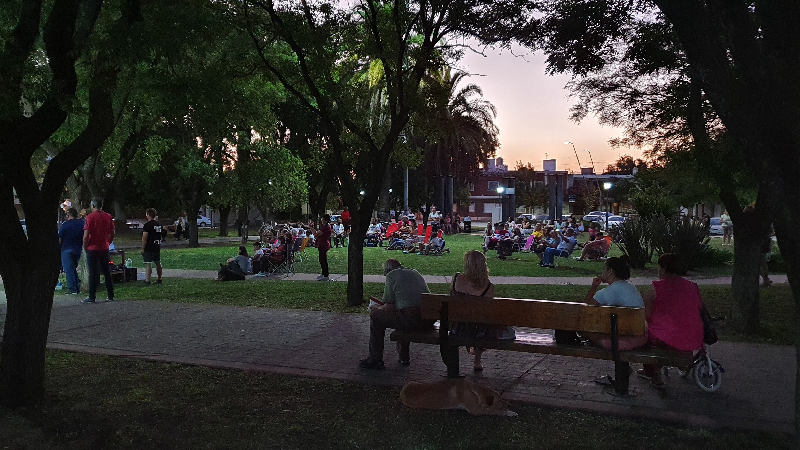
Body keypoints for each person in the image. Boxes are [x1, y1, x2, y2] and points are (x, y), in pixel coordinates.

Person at [639, 253, 704, 387]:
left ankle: (653, 372)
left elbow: (647, 315)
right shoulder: (692, 287)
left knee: (645, 333)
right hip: (692, 337)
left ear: (663, 268)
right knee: (664, 334)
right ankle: (670, 366)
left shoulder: (655, 289)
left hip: (667, 338)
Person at [359, 259, 433, 369]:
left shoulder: (391, 275)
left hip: (412, 319)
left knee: (376, 316)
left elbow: (389, 306)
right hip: (428, 319)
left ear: (388, 270)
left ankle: (375, 359)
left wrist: (376, 308)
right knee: (401, 315)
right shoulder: (414, 272)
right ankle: (404, 357)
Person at [450, 250, 515, 371]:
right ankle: (477, 360)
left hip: (456, 326)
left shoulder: (457, 279)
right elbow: (486, 313)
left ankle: (455, 363)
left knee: (473, 323)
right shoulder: (489, 287)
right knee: (484, 325)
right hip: (478, 330)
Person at [581, 256, 647, 350]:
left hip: (625, 340)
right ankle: (622, 364)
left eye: (604, 269)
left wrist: (594, 287)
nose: (602, 272)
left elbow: (586, 307)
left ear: (610, 271)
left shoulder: (611, 290)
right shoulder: (630, 286)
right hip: (639, 335)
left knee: (586, 330)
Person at [82, 199, 115, 303]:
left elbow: (86, 236)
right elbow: (112, 232)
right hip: (104, 247)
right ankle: (110, 295)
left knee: (92, 272)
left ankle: (92, 297)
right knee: (106, 272)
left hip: (92, 248)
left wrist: (85, 246)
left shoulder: (90, 217)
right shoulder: (108, 216)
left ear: (93, 205)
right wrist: (108, 242)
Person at [58, 207, 84, 294]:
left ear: (68, 215)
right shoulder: (82, 223)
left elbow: (60, 239)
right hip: (78, 249)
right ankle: (78, 284)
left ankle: (72, 289)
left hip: (66, 249)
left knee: (69, 270)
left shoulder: (65, 225)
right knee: (72, 269)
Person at [141, 208, 163, 285]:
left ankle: (147, 280)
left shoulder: (147, 225)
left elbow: (144, 238)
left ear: (148, 215)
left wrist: (143, 248)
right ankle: (159, 278)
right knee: (158, 263)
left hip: (149, 247)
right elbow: (161, 235)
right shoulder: (158, 224)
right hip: (157, 246)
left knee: (148, 263)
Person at [314, 214, 332, 281]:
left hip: (323, 245)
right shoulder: (324, 227)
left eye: (322, 219)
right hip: (322, 245)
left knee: (323, 260)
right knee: (322, 260)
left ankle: (326, 276)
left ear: (325, 220)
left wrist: (313, 230)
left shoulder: (325, 227)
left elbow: (316, 235)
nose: (321, 220)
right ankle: (323, 274)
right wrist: (311, 228)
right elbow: (316, 234)